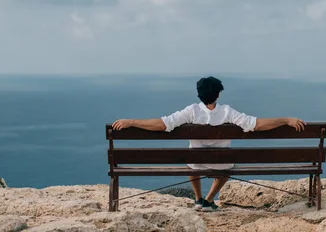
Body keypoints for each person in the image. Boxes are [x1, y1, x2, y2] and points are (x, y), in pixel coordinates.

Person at [112, 76, 305, 212]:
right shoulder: (227, 111)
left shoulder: (191, 110)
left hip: (195, 161)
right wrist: (286, 120)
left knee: (191, 163)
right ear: (218, 95)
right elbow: (255, 125)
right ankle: (209, 199)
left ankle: (197, 199)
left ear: (199, 94)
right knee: (228, 167)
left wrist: (132, 122)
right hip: (221, 162)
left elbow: (164, 124)